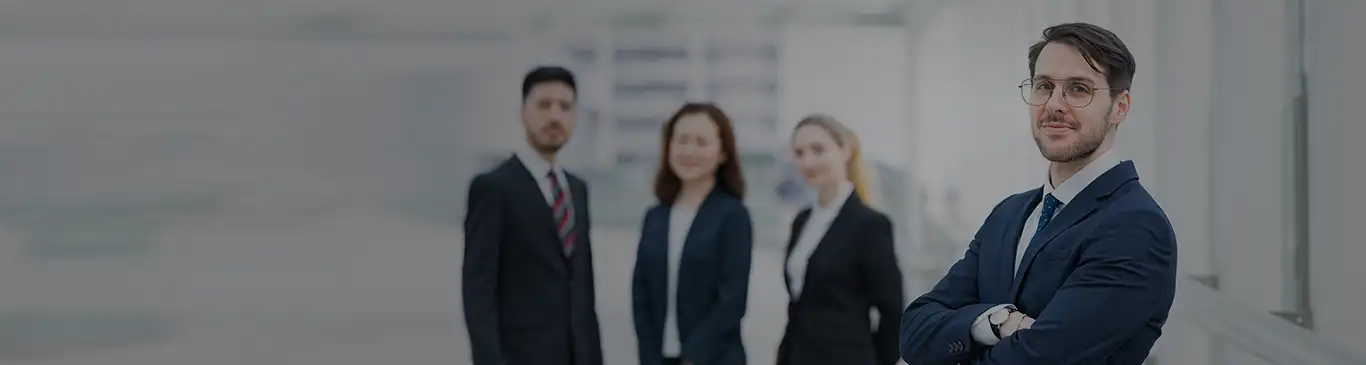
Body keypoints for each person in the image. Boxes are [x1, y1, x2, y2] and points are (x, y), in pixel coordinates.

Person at [898, 23, 1177, 365]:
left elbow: (1041, 359)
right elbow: (913, 330)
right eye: (1044, 86)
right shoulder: (1009, 215)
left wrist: (960, 333)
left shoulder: (1135, 227)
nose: (1054, 105)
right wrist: (996, 323)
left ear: (1120, 106)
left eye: (1078, 89)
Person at [463, 65, 603, 365]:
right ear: (523, 112)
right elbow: (479, 294)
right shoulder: (494, 188)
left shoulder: (577, 190)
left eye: (565, 107)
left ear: (575, 117)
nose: (554, 116)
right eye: (543, 105)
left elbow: (583, 293)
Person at [632, 102, 754, 365]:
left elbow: (732, 300)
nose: (689, 150)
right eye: (682, 140)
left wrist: (693, 357)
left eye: (701, 142)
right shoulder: (655, 216)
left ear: (722, 153)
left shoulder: (732, 216)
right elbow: (641, 296)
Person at [777, 114, 904, 365]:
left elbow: (893, 311)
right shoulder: (802, 221)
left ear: (845, 150)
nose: (807, 161)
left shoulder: (870, 225)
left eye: (817, 150)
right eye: (799, 153)